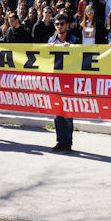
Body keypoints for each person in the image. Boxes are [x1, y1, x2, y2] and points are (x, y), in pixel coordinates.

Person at [48, 14, 79, 152]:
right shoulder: (51, 40)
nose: (60, 26)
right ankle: (60, 141)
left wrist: (72, 49)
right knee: (57, 113)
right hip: (55, 81)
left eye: (62, 23)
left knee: (68, 114)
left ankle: (68, 143)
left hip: (69, 81)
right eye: (57, 24)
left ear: (67, 25)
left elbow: (81, 58)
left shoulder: (74, 40)